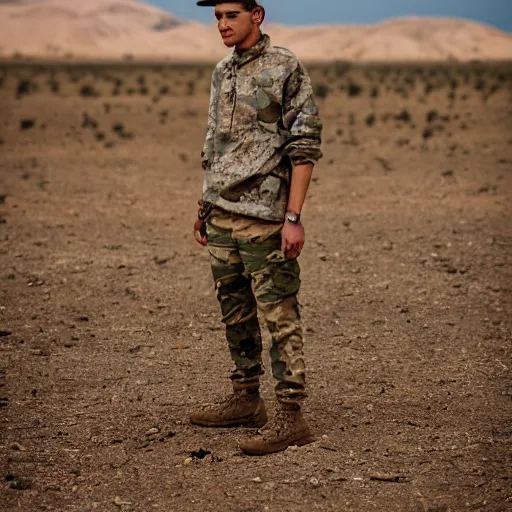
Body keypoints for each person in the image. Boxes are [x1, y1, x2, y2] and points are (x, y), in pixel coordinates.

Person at [191, 0, 323, 456]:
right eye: (217, 17)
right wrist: (206, 206)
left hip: (266, 219)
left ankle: (291, 417)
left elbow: (304, 145)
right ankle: (246, 399)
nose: (222, 24)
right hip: (223, 214)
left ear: (257, 15)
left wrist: (293, 218)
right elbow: (215, 144)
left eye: (231, 15)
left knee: (279, 316)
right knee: (235, 312)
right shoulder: (221, 71)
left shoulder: (285, 67)